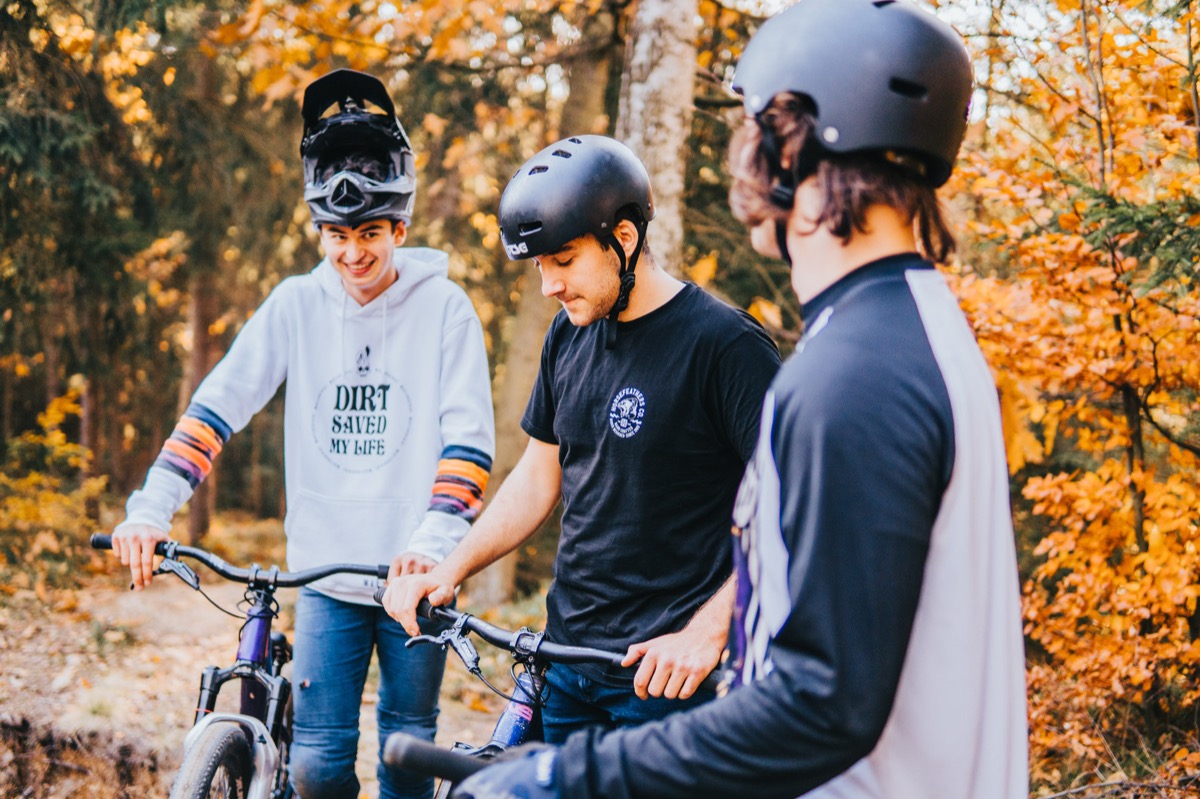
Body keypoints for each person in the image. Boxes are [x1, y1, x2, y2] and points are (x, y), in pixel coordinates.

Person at [449, 1, 1029, 798]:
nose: (740, 159)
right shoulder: (912, 331)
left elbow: (821, 704)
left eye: (756, 129)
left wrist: (568, 774)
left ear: (794, 153)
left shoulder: (855, 378)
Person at [109, 69, 495, 799]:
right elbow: (216, 408)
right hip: (325, 577)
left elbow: (469, 446)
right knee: (317, 768)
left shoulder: (446, 309)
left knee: (406, 756)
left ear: (400, 228)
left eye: (370, 233)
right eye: (337, 235)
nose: (352, 253)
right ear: (319, 230)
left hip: (420, 581)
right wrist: (151, 508)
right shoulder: (295, 304)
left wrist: (431, 544)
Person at [383, 135, 781, 741]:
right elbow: (538, 477)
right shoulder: (568, 335)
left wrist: (709, 632)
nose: (549, 285)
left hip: (665, 683)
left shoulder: (727, 346)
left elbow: (791, 506)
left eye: (564, 261)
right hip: (565, 664)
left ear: (624, 237)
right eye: (540, 266)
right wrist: (450, 569)